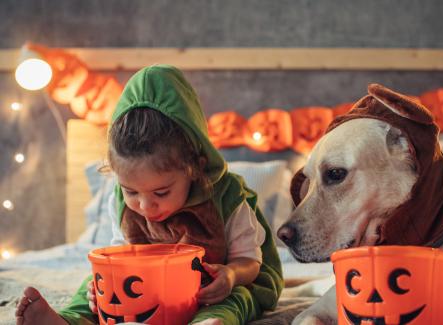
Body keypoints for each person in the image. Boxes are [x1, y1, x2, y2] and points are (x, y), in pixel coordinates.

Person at [15, 65, 284, 325]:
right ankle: (69, 320)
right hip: (145, 287)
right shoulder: (119, 202)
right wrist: (104, 288)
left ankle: (209, 322)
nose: (145, 206)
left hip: (211, 290)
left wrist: (231, 274)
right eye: (130, 191)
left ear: (195, 169)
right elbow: (120, 259)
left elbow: (250, 263)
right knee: (93, 288)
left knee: (239, 298)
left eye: (161, 192)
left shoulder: (227, 198)